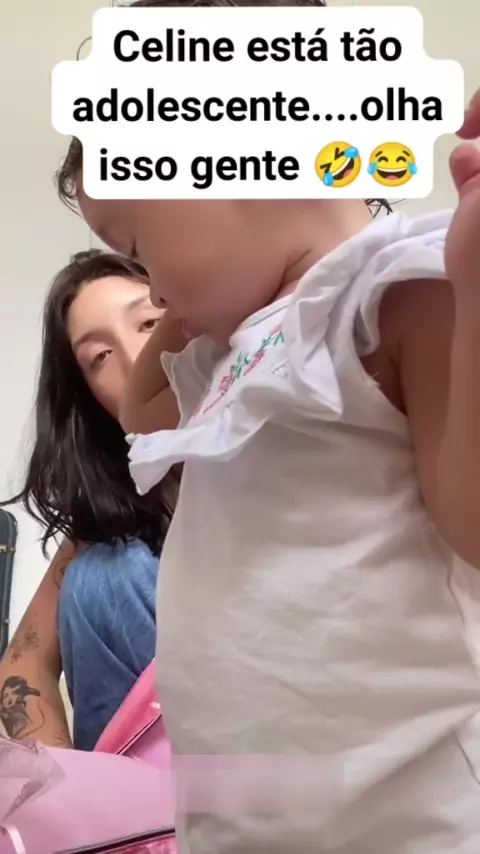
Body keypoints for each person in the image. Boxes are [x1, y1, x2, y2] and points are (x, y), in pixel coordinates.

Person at [56, 1, 480, 852]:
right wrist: (189, 299)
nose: (151, 290)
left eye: (139, 241)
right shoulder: (224, 352)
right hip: (242, 819)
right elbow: (140, 410)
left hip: (398, 815)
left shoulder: (396, 292)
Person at [0, 249, 174, 751]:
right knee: (106, 577)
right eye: (99, 357)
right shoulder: (124, 506)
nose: (136, 361)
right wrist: (66, 786)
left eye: (148, 323)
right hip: (170, 778)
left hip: (304, 748)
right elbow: (22, 663)